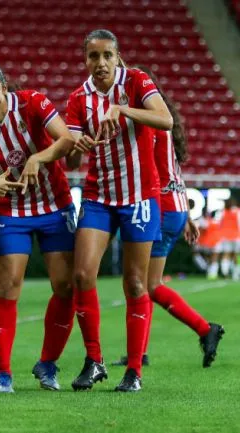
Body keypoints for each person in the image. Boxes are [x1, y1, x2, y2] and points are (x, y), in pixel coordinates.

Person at [0, 62, 80, 392]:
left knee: (66, 287)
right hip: (9, 210)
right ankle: (3, 375)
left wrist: (38, 158)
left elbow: (66, 140)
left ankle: (48, 364)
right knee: (8, 287)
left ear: (4, 89)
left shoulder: (32, 102)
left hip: (55, 204)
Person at [66, 29, 174, 392]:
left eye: (107, 55)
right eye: (93, 56)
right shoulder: (78, 99)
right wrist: (76, 146)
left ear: (117, 56)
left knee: (135, 282)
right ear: (85, 60)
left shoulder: (137, 82)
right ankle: (93, 360)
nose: (100, 63)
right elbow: (72, 160)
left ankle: (134, 372)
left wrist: (124, 108)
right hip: (99, 196)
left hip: (141, 197)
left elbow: (166, 120)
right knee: (81, 275)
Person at [108, 67, 224, 368]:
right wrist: (184, 214)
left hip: (158, 208)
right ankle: (142, 351)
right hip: (173, 208)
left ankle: (203, 329)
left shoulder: (149, 127)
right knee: (146, 283)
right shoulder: (164, 125)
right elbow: (174, 173)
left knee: (147, 284)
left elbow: (153, 175)